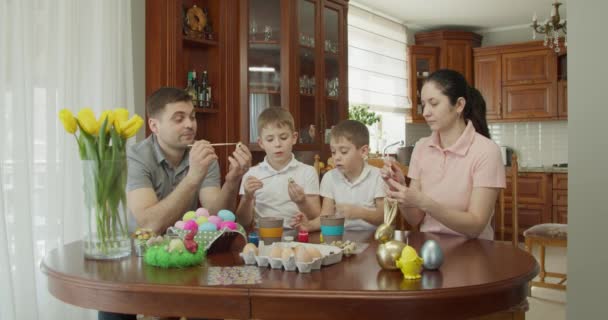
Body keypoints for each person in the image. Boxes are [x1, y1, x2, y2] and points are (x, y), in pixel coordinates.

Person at [382, 69, 505, 240]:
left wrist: (424, 202)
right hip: (428, 247)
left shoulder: (486, 151)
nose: (425, 112)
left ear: (459, 105)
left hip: (474, 251)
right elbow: (415, 219)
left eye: (434, 103)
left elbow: (476, 226)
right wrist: (400, 188)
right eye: (423, 104)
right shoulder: (421, 147)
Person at [291, 120, 385, 232]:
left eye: (344, 152)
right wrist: (309, 225)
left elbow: (384, 217)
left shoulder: (379, 176)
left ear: (364, 151)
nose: (337, 157)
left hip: (374, 239)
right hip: (340, 238)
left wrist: (359, 213)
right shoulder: (329, 177)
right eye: (333, 152)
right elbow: (326, 216)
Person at [236, 107, 320, 229]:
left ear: (294, 138)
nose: (277, 144)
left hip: (297, 236)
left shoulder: (308, 172)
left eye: (283, 137)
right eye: (270, 139)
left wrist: (302, 202)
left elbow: (316, 217)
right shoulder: (251, 174)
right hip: (263, 236)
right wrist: (248, 198)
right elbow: (243, 222)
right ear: (261, 143)